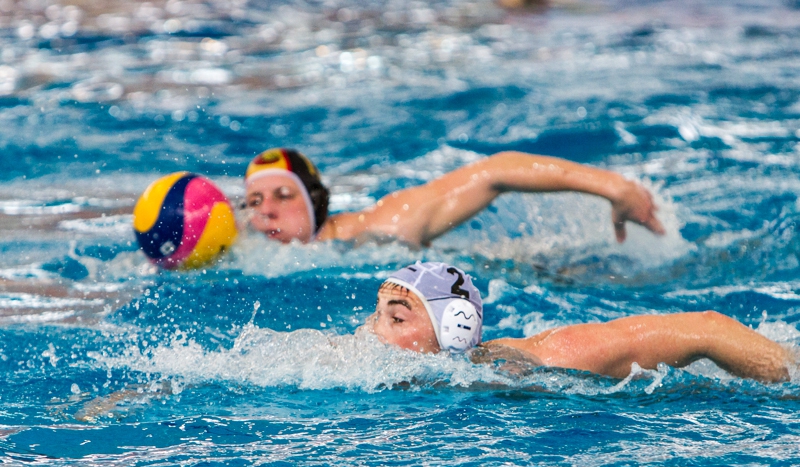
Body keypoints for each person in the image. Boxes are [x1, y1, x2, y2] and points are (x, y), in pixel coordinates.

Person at [363, 262, 794, 383]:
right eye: (375, 314)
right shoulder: (363, 363)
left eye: (397, 318)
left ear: (453, 332)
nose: (373, 332)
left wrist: (789, 379)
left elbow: (709, 327)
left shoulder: (550, 357)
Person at [242, 148, 666, 246]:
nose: (269, 211)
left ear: (316, 201)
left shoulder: (381, 226)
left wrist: (615, 186)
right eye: (255, 202)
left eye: (283, 194)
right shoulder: (239, 248)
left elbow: (495, 171)